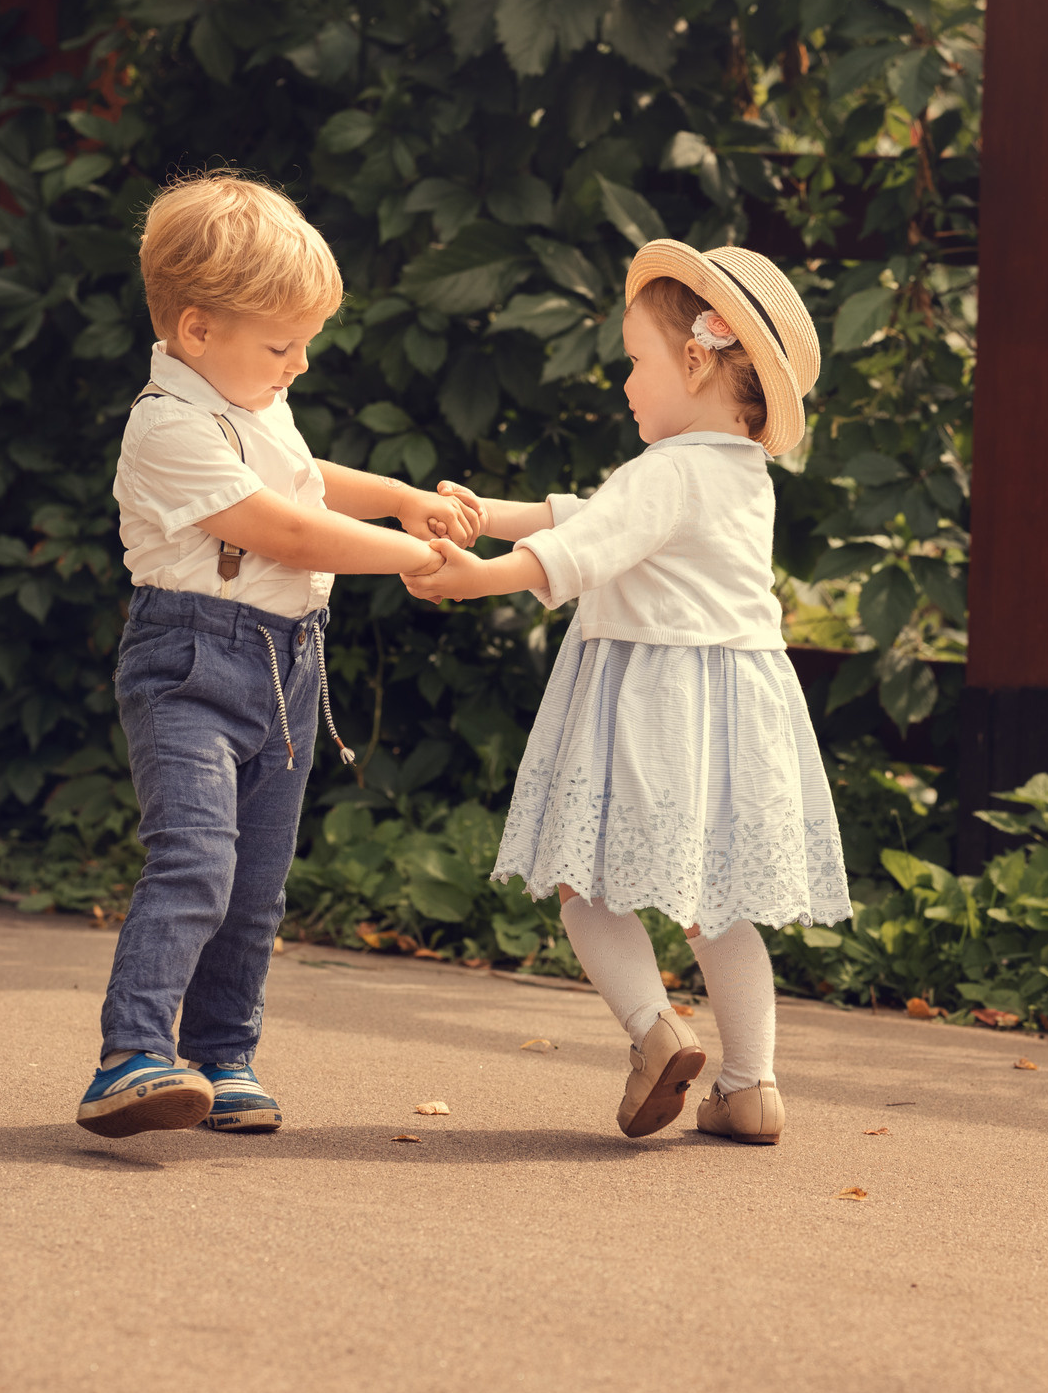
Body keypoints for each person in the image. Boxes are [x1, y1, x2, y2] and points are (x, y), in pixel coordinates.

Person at [404, 240, 848, 1146]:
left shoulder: (667, 471)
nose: (625, 383)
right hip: (736, 704)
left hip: (654, 699)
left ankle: (655, 1032)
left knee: (584, 884)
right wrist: (491, 513)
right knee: (714, 900)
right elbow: (591, 516)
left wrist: (473, 574)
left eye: (636, 361)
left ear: (695, 360)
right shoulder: (735, 473)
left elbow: (582, 550)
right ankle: (749, 1082)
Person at [79, 171, 479, 1139]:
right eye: (281, 345)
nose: (298, 364)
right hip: (191, 662)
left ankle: (222, 1054)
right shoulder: (165, 423)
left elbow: (301, 476)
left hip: (288, 665)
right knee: (194, 859)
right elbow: (285, 531)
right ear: (195, 329)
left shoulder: (247, 399)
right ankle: (131, 1054)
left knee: (256, 882)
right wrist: (420, 557)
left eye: (304, 343)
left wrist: (394, 497)